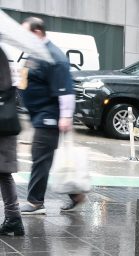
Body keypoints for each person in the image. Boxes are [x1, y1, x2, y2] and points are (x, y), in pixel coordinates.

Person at [18, 16, 85, 214]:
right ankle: (76, 194)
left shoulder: (54, 57)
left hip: (49, 116)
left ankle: (35, 202)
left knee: (40, 156)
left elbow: (66, 89)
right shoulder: (36, 53)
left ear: (37, 32)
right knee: (46, 156)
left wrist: (66, 116)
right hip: (39, 114)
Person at [0, 45, 20, 235]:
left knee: (4, 173)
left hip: (2, 127)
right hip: (4, 125)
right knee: (3, 173)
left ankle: (14, 218)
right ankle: (13, 218)